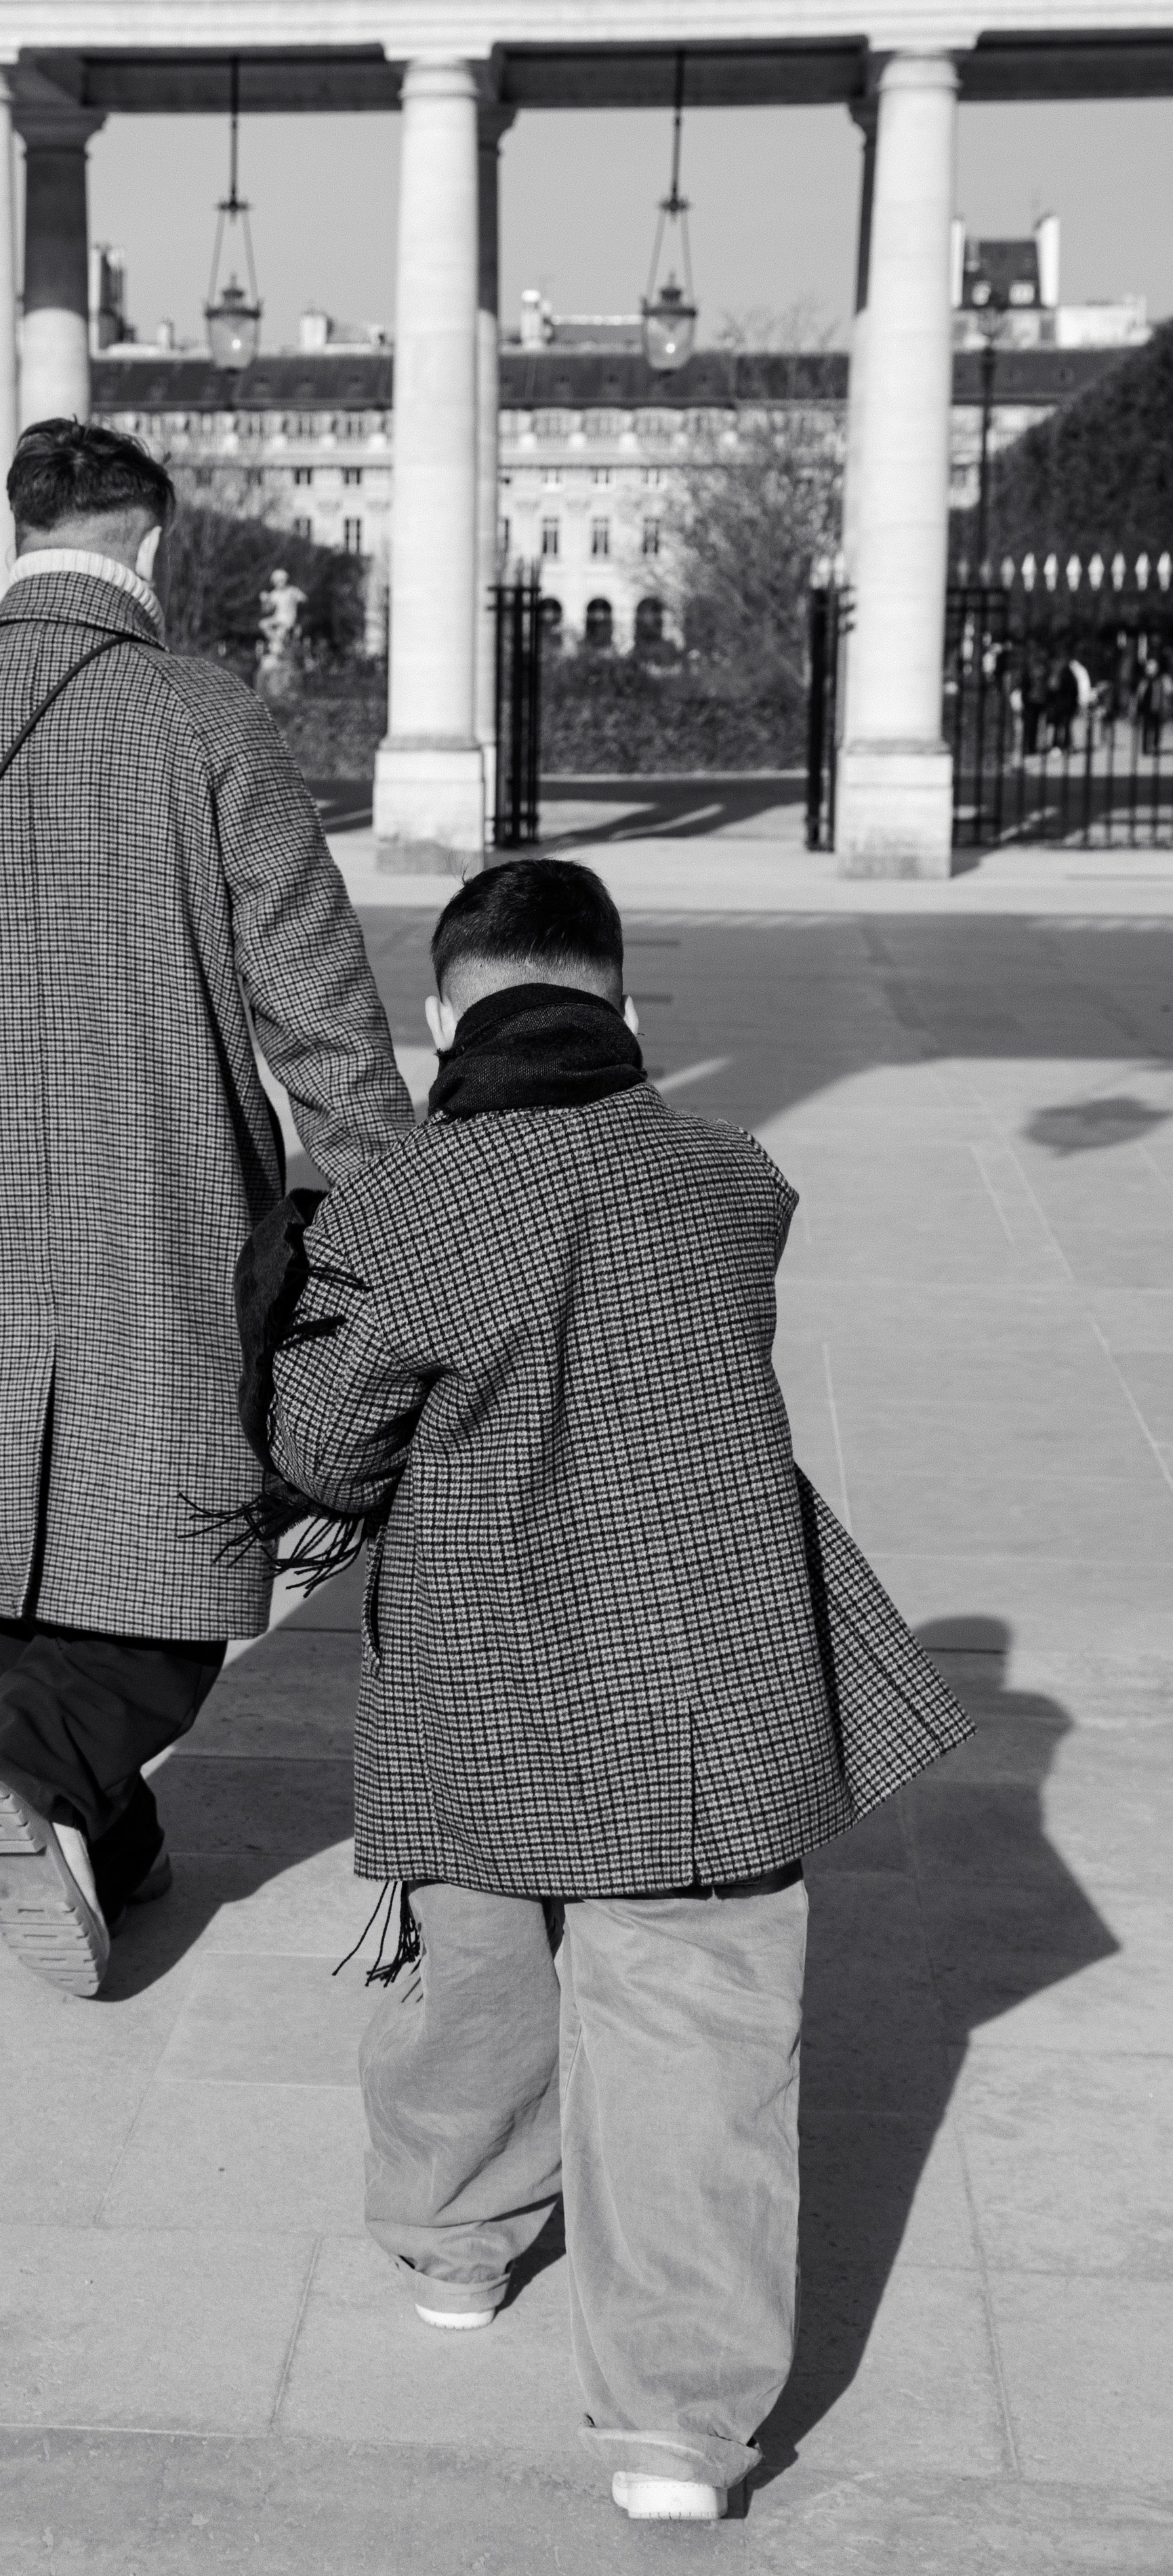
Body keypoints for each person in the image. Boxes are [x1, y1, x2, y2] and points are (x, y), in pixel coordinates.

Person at [232, 860, 970, 2523]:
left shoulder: (405, 1205)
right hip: (710, 1651)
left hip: (483, 1647)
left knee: (478, 1969)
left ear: (439, 1025)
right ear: (628, 1007)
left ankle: (455, 2245)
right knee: (696, 2016)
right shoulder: (731, 1174)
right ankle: (676, 2433)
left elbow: (324, 1446)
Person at [0, 418, 412, 1996]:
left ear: (21, 528)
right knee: (174, 1534)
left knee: (9, 1532)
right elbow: (317, 1004)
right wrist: (385, 1201)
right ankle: (40, 1780)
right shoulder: (203, 717)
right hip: (165, 1197)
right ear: (151, 538)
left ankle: (105, 1836)